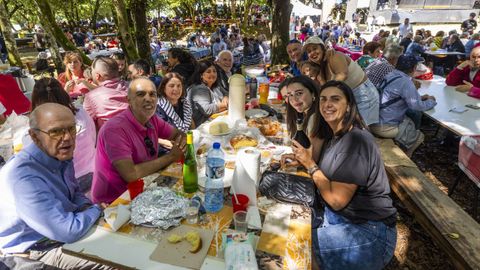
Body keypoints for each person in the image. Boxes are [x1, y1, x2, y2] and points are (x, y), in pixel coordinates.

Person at [291, 80, 397, 270]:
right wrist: (305, 160)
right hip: (338, 219)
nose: (327, 104)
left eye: (335, 99)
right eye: (323, 99)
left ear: (348, 106)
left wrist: (311, 166)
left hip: (368, 232)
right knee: (288, 226)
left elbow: (336, 200)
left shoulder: (356, 141)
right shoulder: (336, 136)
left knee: (294, 246)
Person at [0, 103, 111, 269]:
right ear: (35, 136)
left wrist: (87, 207)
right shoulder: (24, 177)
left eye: (71, 128)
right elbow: (67, 231)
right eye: (56, 131)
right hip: (37, 250)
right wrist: (95, 210)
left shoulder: (59, 155)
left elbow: (75, 194)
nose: (66, 137)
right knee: (115, 260)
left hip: (60, 233)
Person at [91, 78, 186, 203]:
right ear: (128, 100)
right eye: (141, 94)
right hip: (114, 202)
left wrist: (181, 142)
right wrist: (171, 156)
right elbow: (131, 174)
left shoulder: (152, 119)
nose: (148, 98)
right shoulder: (115, 130)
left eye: (152, 94)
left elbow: (178, 134)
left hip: (145, 188)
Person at [30, 78, 96, 193]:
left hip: (71, 183)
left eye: (71, 128)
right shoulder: (82, 113)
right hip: (94, 170)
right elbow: (93, 138)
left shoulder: (40, 129)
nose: (67, 136)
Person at [303, 36, 379, 126]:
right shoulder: (321, 69)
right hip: (349, 97)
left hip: (364, 94)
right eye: (309, 51)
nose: (312, 53)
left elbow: (342, 74)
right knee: (353, 126)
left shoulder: (335, 56)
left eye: (315, 48)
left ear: (322, 48)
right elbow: (325, 89)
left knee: (363, 127)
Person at [370, 55, 436, 157]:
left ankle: (402, 143)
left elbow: (396, 97)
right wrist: (431, 101)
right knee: (419, 135)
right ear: (414, 68)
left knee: (409, 118)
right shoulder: (406, 82)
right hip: (384, 126)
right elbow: (417, 106)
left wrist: (420, 97)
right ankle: (406, 156)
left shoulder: (391, 75)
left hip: (373, 119)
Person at [282, 76, 326, 163]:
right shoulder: (305, 114)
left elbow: (312, 158)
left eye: (299, 93)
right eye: (290, 95)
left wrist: (295, 158)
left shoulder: (315, 118)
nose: (294, 99)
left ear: (313, 94)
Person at [83, 56, 129, 130]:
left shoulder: (91, 97)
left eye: (92, 70)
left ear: (97, 76)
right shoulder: (132, 87)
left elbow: (87, 124)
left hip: (111, 137)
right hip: (139, 135)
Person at [187, 61, 228, 126]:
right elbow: (207, 110)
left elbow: (227, 93)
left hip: (217, 120)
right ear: (201, 75)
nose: (212, 74)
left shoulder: (215, 85)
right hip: (204, 125)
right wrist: (225, 105)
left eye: (214, 71)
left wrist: (225, 98)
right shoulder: (199, 89)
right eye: (208, 72)